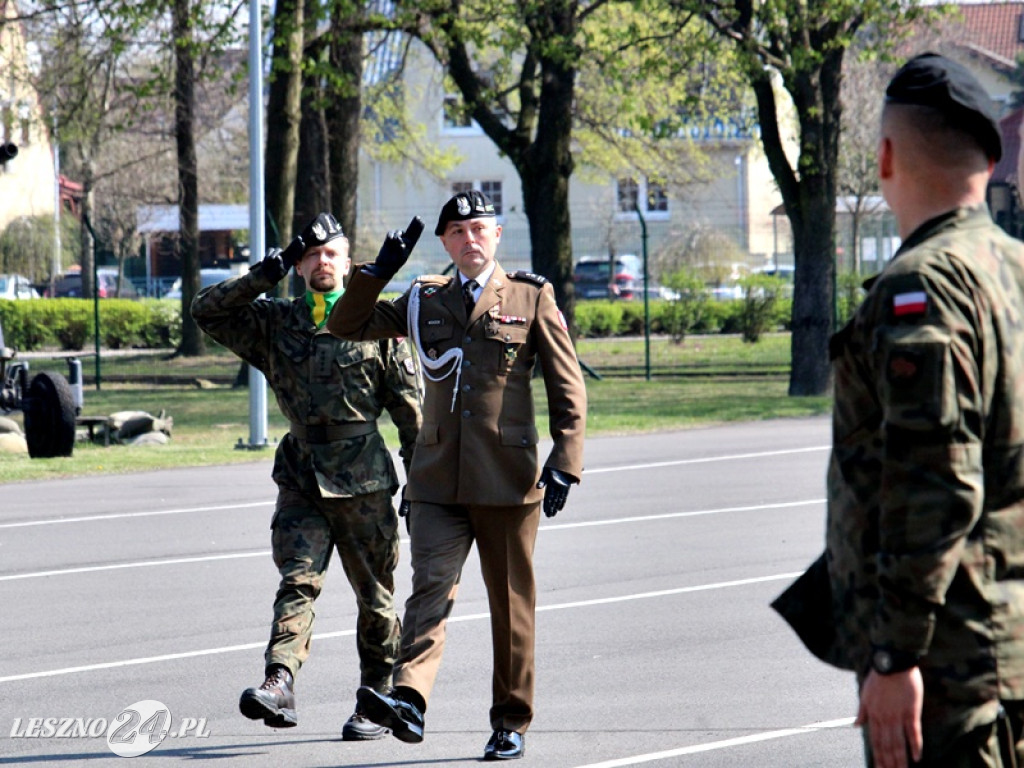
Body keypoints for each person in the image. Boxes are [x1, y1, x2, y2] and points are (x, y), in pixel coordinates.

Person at [326, 190, 587, 760]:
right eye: (458, 231)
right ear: (444, 242)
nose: (470, 239)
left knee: (511, 605)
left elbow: (568, 387)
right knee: (429, 589)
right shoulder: (423, 298)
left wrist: (566, 461)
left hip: (508, 478)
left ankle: (511, 721)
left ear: (496, 236)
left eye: (479, 229)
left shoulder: (530, 296)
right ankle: (411, 699)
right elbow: (345, 324)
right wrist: (374, 274)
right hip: (437, 478)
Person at [826, 52, 1024, 768]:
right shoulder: (1013, 269)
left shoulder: (924, 285)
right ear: (991, 161)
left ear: (884, 155)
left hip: (954, 670)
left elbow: (938, 478)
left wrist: (894, 654)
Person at [190, 212, 423, 741]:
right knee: (297, 580)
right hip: (300, 475)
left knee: (376, 597)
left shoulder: (378, 323)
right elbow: (206, 311)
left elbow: (412, 416)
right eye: (311, 255)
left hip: (363, 481)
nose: (322, 262)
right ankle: (279, 681)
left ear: (348, 263)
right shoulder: (276, 320)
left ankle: (378, 696)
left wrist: (421, 483)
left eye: (331, 254)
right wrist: (263, 273)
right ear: (300, 266)